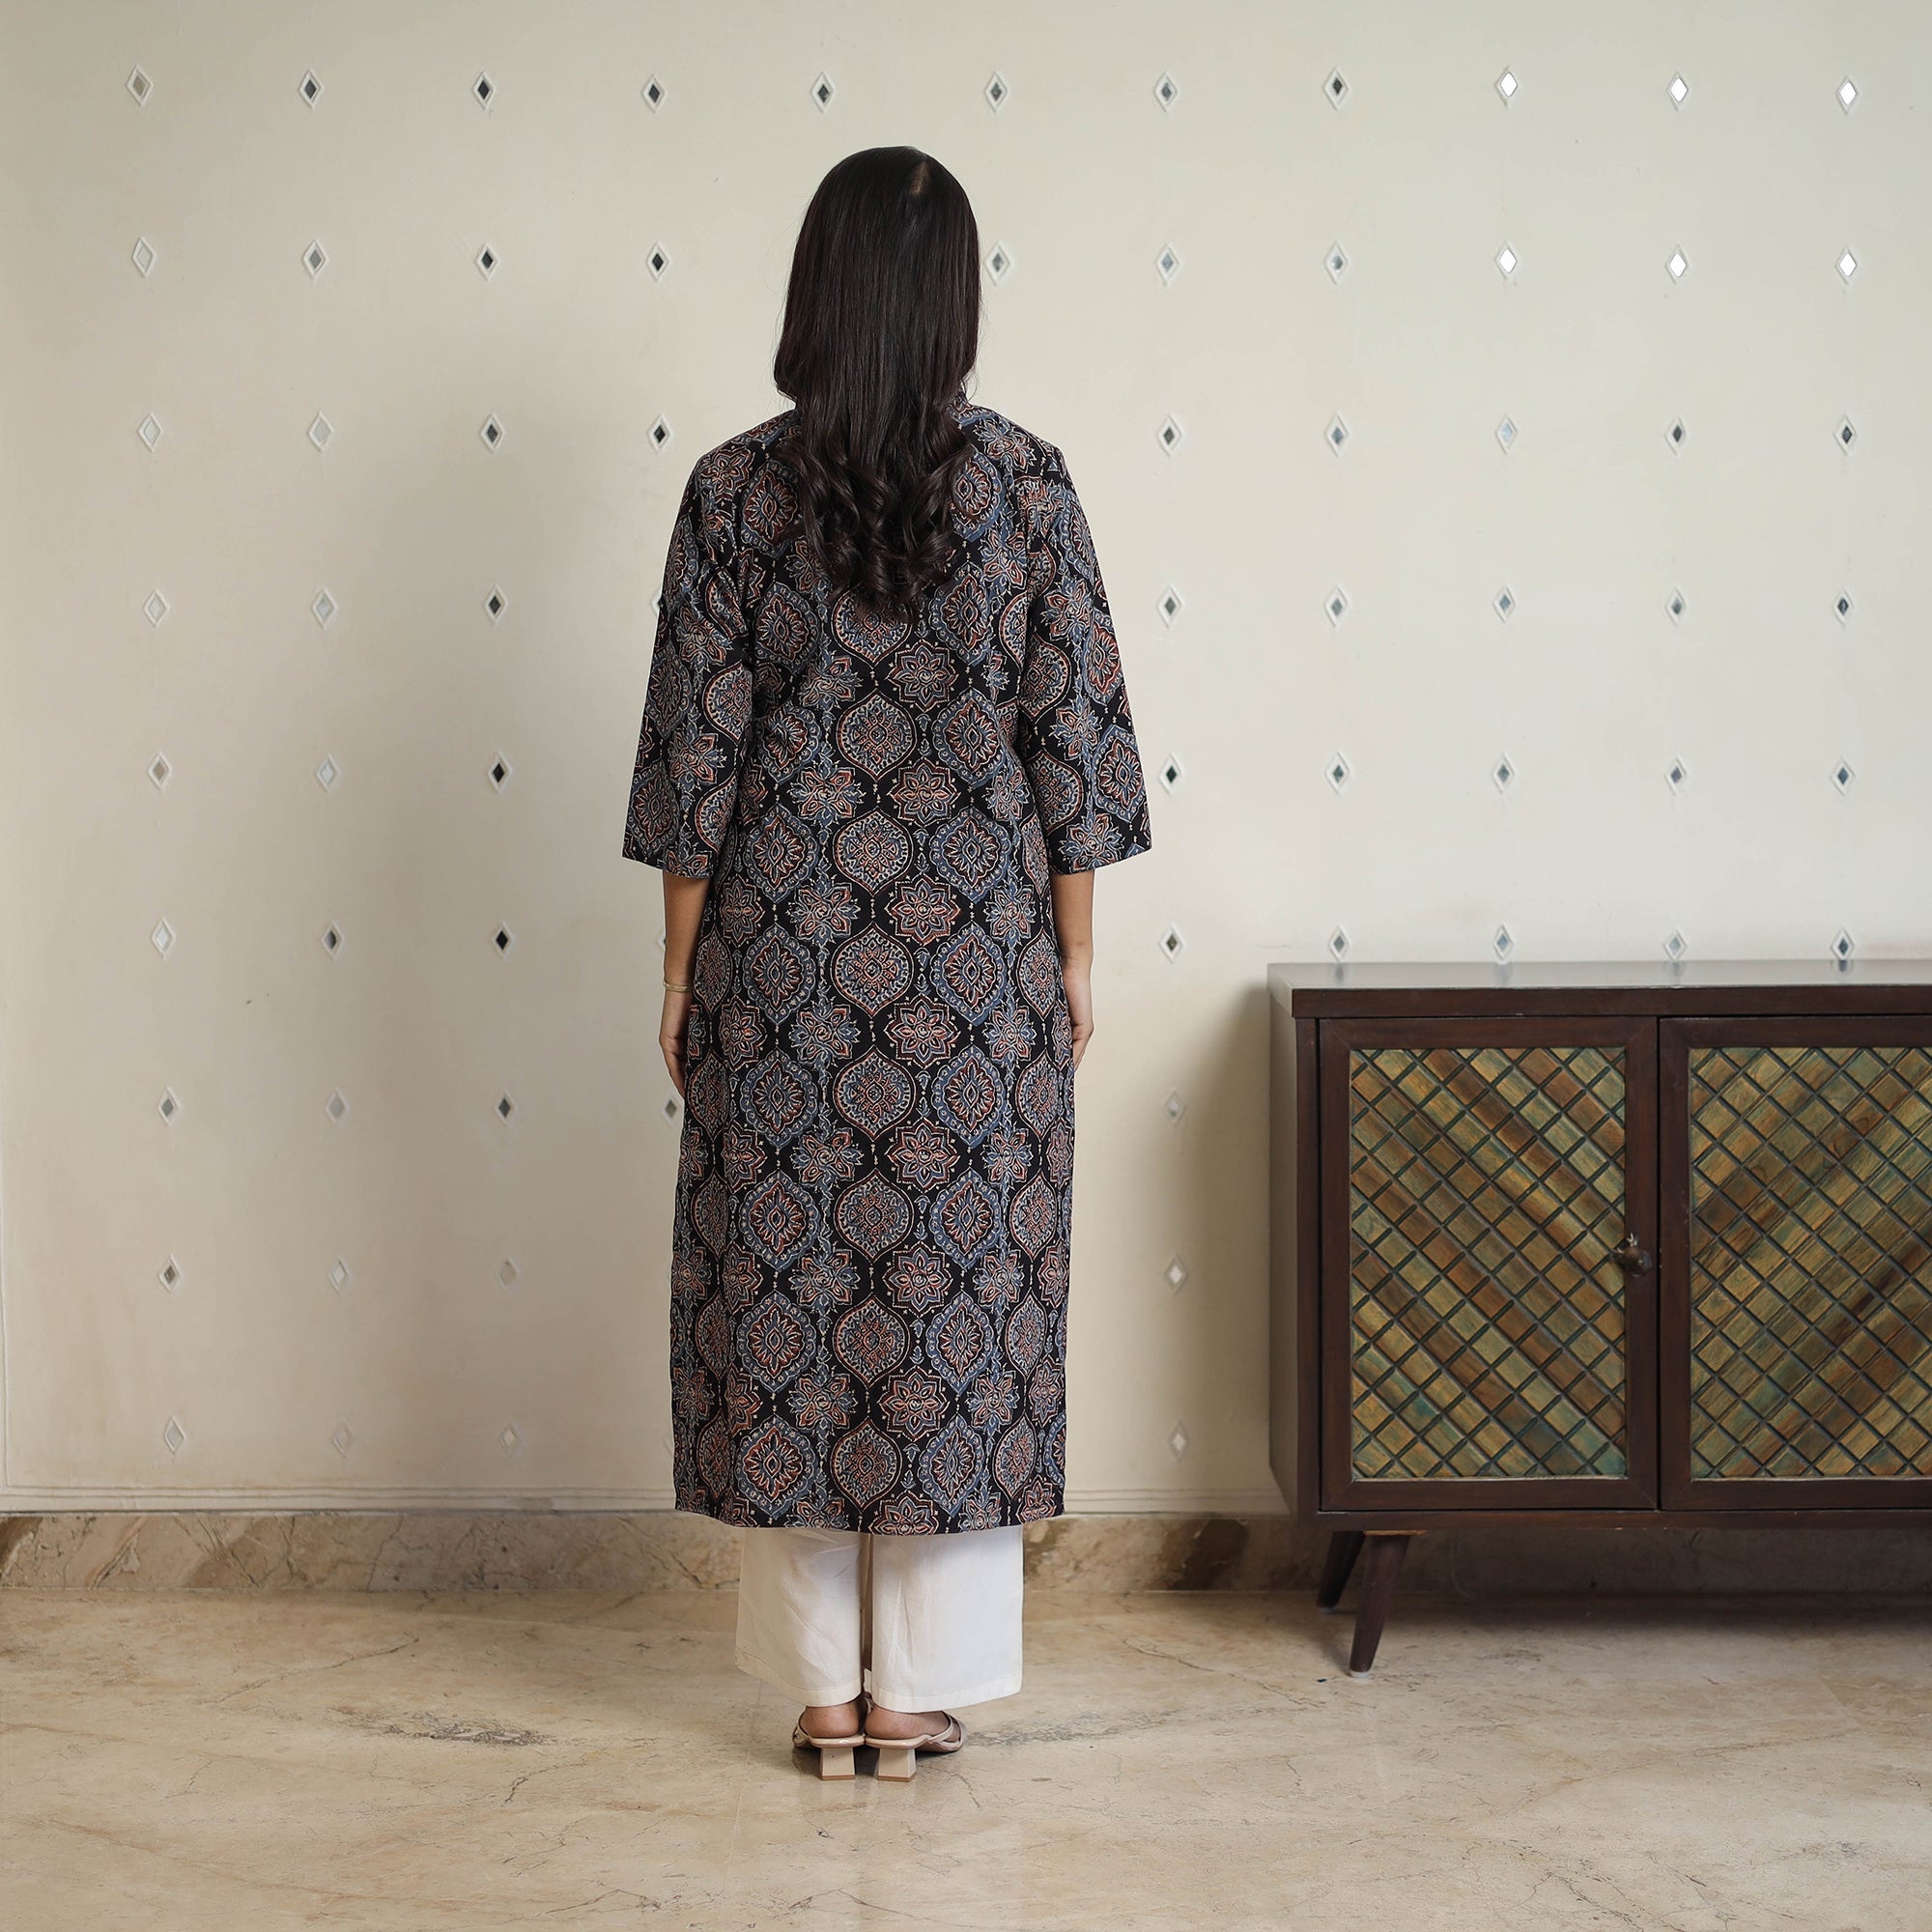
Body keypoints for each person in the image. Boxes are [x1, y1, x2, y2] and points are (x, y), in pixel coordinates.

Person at [621, 146, 1153, 1779]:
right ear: (953, 304)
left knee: (788, 1313)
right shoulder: (1030, 488)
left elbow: (695, 767)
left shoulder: (730, 493)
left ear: (818, 290)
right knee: (955, 1308)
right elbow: (1077, 750)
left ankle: (819, 1688)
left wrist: (679, 979)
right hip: (978, 977)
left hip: (781, 971)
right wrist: (1074, 960)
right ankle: (917, 1688)